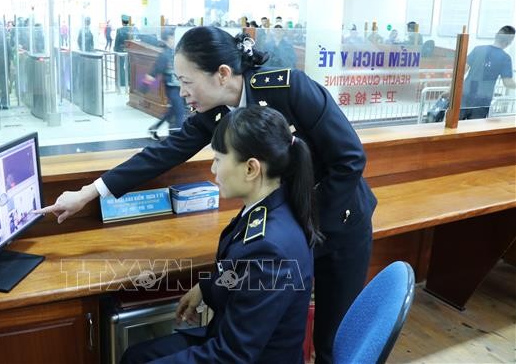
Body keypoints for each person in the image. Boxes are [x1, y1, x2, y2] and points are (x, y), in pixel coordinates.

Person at [37, 26, 377, 364]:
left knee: (332, 342)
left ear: (222, 74)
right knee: (278, 325)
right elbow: (163, 153)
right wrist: (88, 193)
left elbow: (350, 160)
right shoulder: (215, 114)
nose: (181, 92)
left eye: (187, 82)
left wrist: (302, 229)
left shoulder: (290, 89)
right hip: (287, 233)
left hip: (338, 222)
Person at [120, 106, 322, 363]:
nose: (213, 169)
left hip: (243, 355)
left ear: (251, 169)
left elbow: (231, 356)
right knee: (134, 356)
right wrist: (206, 286)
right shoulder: (269, 208)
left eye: (218, 159)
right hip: (233, 341)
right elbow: (241, 273)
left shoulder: (270, 249)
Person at [460, 25, 516, 120]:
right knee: (473, 130)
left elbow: (461, 71)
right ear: (509, 42)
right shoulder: (505, 58)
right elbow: (507, 83)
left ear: (496, 36)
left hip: (465, 93)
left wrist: (452, 89)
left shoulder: (477, 49)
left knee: (457, 126)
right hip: (482, 99)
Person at [144, 27, 186, 140]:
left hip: (179, 87)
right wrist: (145, 85)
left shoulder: (176, 52)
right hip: (172, 89)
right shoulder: (164, 55)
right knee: (180, 113)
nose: (175, 39)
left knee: (173, 111)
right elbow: (154, 71)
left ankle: (154, 128)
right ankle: (178, 139)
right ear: (168, 39)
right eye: (173, 37)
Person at [115, 15, 135, 86]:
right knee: (129, 66)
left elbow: (117, 42)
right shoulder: (132, 29)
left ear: (122, 22)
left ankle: (122, 82)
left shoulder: (119, 30)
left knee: (121, 66)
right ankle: (130, 81)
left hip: (121, 51)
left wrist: (115, 49)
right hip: (130, 50)